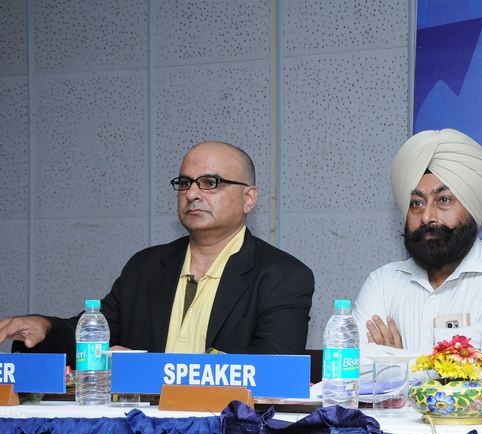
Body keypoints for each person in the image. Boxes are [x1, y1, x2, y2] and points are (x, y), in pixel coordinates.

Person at [0, 141, 314, 368]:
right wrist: (44, 328)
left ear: (249, 198)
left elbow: (272, 365)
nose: (192, 194)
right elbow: (94, 336)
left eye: (210, 183)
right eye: (185, 183)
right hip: (142, 432)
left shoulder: (283, 276)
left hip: (227, 432)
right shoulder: (146, 267)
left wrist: (145, 368)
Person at [353, 128, 482, 375]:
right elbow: (350, 370)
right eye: (417, 203)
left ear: (472, 208)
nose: (427, 217)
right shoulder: (383, 282)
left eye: (444, 200)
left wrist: (396, 363)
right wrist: (458, 366)